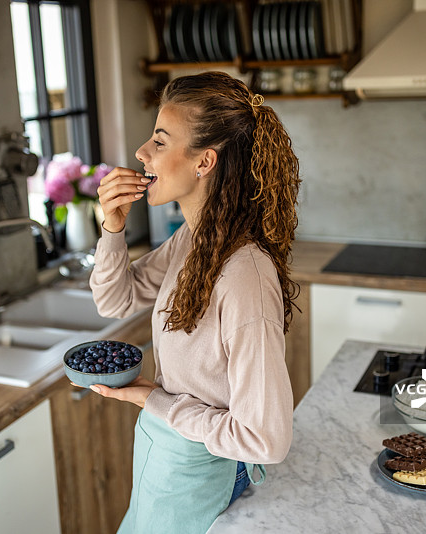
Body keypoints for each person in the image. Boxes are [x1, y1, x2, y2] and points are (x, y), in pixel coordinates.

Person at [87, 71, 301, 534]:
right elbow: (115, 299)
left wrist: (154, 399)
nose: (142, 153)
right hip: (163, 459)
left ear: (204, 162)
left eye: (160, 142)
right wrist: (112, 227)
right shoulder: (194, 239)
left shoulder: (244, 273)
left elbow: (265, 439)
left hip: (201, 475)